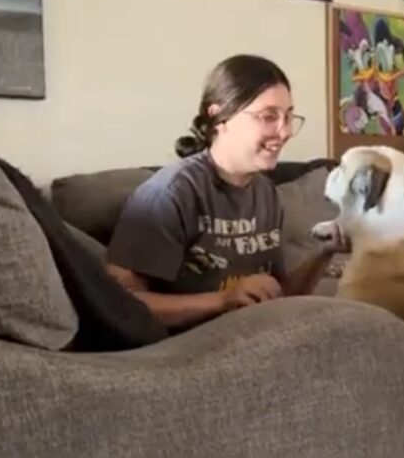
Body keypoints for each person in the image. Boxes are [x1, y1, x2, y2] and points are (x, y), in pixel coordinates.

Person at [104, 54, 344, 332]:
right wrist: (222, 300)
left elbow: (279, 296)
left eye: (289, 116)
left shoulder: (266, 192)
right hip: (184, 349)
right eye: (269, 117)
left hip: (252, 335)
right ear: (220, 118)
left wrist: (325, 251)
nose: (285, 131)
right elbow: (120, 307)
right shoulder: (170, 194)